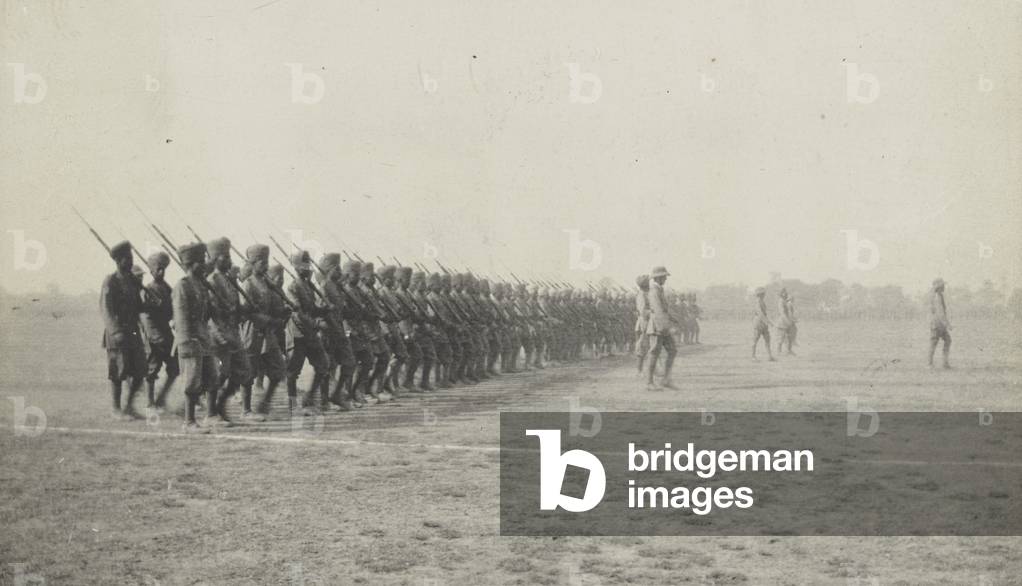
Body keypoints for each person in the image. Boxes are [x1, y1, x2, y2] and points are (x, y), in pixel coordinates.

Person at [100, 241, 148, 420]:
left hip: (133, 331)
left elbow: (139, 306)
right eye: (127, 259)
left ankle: (128, 407)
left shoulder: (131, 281)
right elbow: (106, 308)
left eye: (131, 258)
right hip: (118, 333)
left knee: (140, 370)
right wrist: (116, 331)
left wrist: (150, 303)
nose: (130, 262)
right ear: (119, 260)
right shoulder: (111, 281)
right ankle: (116, 409)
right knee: (118, 373)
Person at [239, 245, 287, 420]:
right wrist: (269, 319)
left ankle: (264, 404)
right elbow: (245, 311)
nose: (265, 265)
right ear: (252, 263)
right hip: (252, 332)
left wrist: (282, 310)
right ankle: (246, 410)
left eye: (266, 261)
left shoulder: (268, 283)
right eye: (262, 262)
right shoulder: (248, 284)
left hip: (267, 333)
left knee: (278, 370)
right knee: (249, 373)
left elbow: (275, 305)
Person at [172, 242, 215, 433]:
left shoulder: (200, 285)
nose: (205, 264)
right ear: (192, 264)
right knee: (191, 382)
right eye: (201, 261)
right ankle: (189, 422)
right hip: (190, 341)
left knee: (210, 379)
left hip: (203, 339)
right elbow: (181, 318)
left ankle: (208, 416)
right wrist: (189, 341)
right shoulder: (183, 286)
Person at [206, 237, 249, 425]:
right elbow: (213, 312)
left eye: (229, 256)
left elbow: (236, 307)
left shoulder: (229, 280)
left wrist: (245, 310)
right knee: (219, 374)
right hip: (219, 334)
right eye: (225, 256)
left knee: (243, 372)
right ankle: (211, 413)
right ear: (215, 259)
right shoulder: (212, 281)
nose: (229, 259)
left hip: (233, 333)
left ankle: (220, 404)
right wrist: (221, 336)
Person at [285, 250, 330, 415]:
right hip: (298, 333)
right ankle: (292, 406)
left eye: (309, 266)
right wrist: (316, 322)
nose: (309, 270)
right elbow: (297, 313)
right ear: (297, 269)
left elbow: (311, 309)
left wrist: (323, 310)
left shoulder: (309, 287)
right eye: (305, 267)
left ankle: (308, 400)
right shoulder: (293, 287)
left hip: (310, 333)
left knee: (323, 365)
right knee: (292, 372)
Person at [139, 251, 178, 412]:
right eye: (158, 269)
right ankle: (150, 404)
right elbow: (146, 316)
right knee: (152, 370)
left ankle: (161, 399)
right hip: (154, 335)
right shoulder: (147, 290)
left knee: (175, 368)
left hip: (167, 333)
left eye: (163, 269)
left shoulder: (166, 288)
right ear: (151, 271)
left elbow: (172, 309)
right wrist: (155, 336)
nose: (161, 272)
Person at [645, 266, 678, 390]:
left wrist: (673, 319)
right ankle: (649, 383)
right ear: (658, 277)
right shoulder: (654, 291)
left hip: (662, 326)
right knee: (654, 353)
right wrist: (667, 327)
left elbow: (664, 309)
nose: (665, 278)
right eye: (664, 276)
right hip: (657, 327)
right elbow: (658, 310)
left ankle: (665, 379)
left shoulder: (659, 290)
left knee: (672, 351)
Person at [928, 278, 952, 368]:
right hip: (937, 324)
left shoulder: (938, 295)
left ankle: (944, 363)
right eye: (943, 285)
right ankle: (929, 364)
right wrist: (947, 324)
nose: (944, 287)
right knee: (934, 343)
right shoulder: (937, 297)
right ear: (939, 286)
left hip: (939, 323)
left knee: (947, 341)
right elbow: (940, 312)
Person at [752, 287, 776, 361]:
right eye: (763, 293)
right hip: (758, 323)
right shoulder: (758, 302)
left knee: (767, 339)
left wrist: (768, 322)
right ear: (760, 294)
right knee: (755, 340)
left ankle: (769, 356)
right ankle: (753, 356)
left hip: (763, 323)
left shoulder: (762, 301)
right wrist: (768, 322)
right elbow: (760, 314)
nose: (764, 295)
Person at [634, 274, 651, 375]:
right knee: (642, 347)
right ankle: (639, 370)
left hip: (648, 323)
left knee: (648, 346)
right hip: (644, 324)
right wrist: (654, 311)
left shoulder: (646, 294)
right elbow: (643, 311)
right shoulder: (641, 295)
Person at [775, 288, 797, 356]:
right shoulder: (780, 301)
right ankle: (779, 351)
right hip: (782, 321)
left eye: (785, 292)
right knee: (781, 337)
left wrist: (792, 319)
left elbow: (789, 311)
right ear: (781, 294)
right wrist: (787, 321)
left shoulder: (785, 301)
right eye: (783, 293)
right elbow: (782, 313)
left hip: (788, 320)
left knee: (790, 336)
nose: (785, 294)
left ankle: (789, 350)